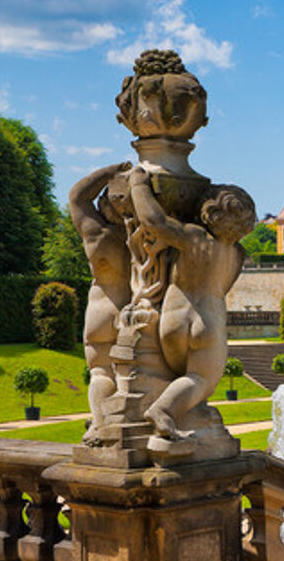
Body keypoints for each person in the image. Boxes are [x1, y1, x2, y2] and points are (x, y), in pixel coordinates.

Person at [127, 166, 255, 439]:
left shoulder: (194, 237)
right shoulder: (237, 254)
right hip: (207, 321)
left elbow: (154, 221)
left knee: (179, 374)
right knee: (201, 379)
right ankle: (163, 409)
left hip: (173, 319)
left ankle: (174, 407)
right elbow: (222, 290)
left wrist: (138, 184)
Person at [70, 161, 133, 446]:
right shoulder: (139, 237)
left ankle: (98, 425)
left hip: (99, 307)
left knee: (99, 372)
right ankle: (121, 426)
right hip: (129, 307)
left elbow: (77, 196)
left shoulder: (95, 233)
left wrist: (110, 171)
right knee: (126, 374)